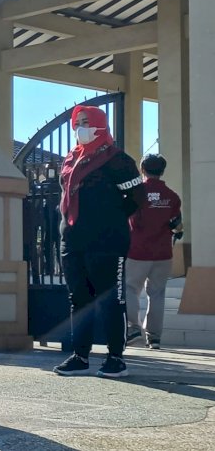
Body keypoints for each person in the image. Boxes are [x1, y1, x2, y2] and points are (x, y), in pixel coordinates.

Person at [53, 106, 145, 378]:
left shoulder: (118, 160)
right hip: (72, 240)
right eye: (77, 123)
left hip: (108, 241)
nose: (80, 127)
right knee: (79, 299)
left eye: (86, 122)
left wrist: (112, 218)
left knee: (110, 299)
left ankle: (115, 357)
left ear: (100, 125)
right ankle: (80, 356)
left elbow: (138, 198)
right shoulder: (71, 160)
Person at [126, 154, 182, 350]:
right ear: (162, 171)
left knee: (130, 289)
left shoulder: (135, 193)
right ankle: (154, 338)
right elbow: (177, 226)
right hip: (163, 253)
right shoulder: (173, 197)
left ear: (142, 169)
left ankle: (133, 329)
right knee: (157, 294)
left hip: (137, 252)